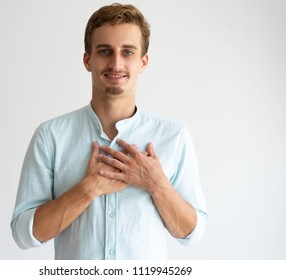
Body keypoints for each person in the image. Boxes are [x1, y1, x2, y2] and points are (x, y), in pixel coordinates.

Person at [11, 3, 208, 260]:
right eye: (105, 51)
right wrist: (87, 189)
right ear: (87, 60)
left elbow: (192, 234)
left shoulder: (174, 137)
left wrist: (157, 184)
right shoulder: (50, 137)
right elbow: (23, 235)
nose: (116, 63)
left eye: (127, 52)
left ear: (143, 62)